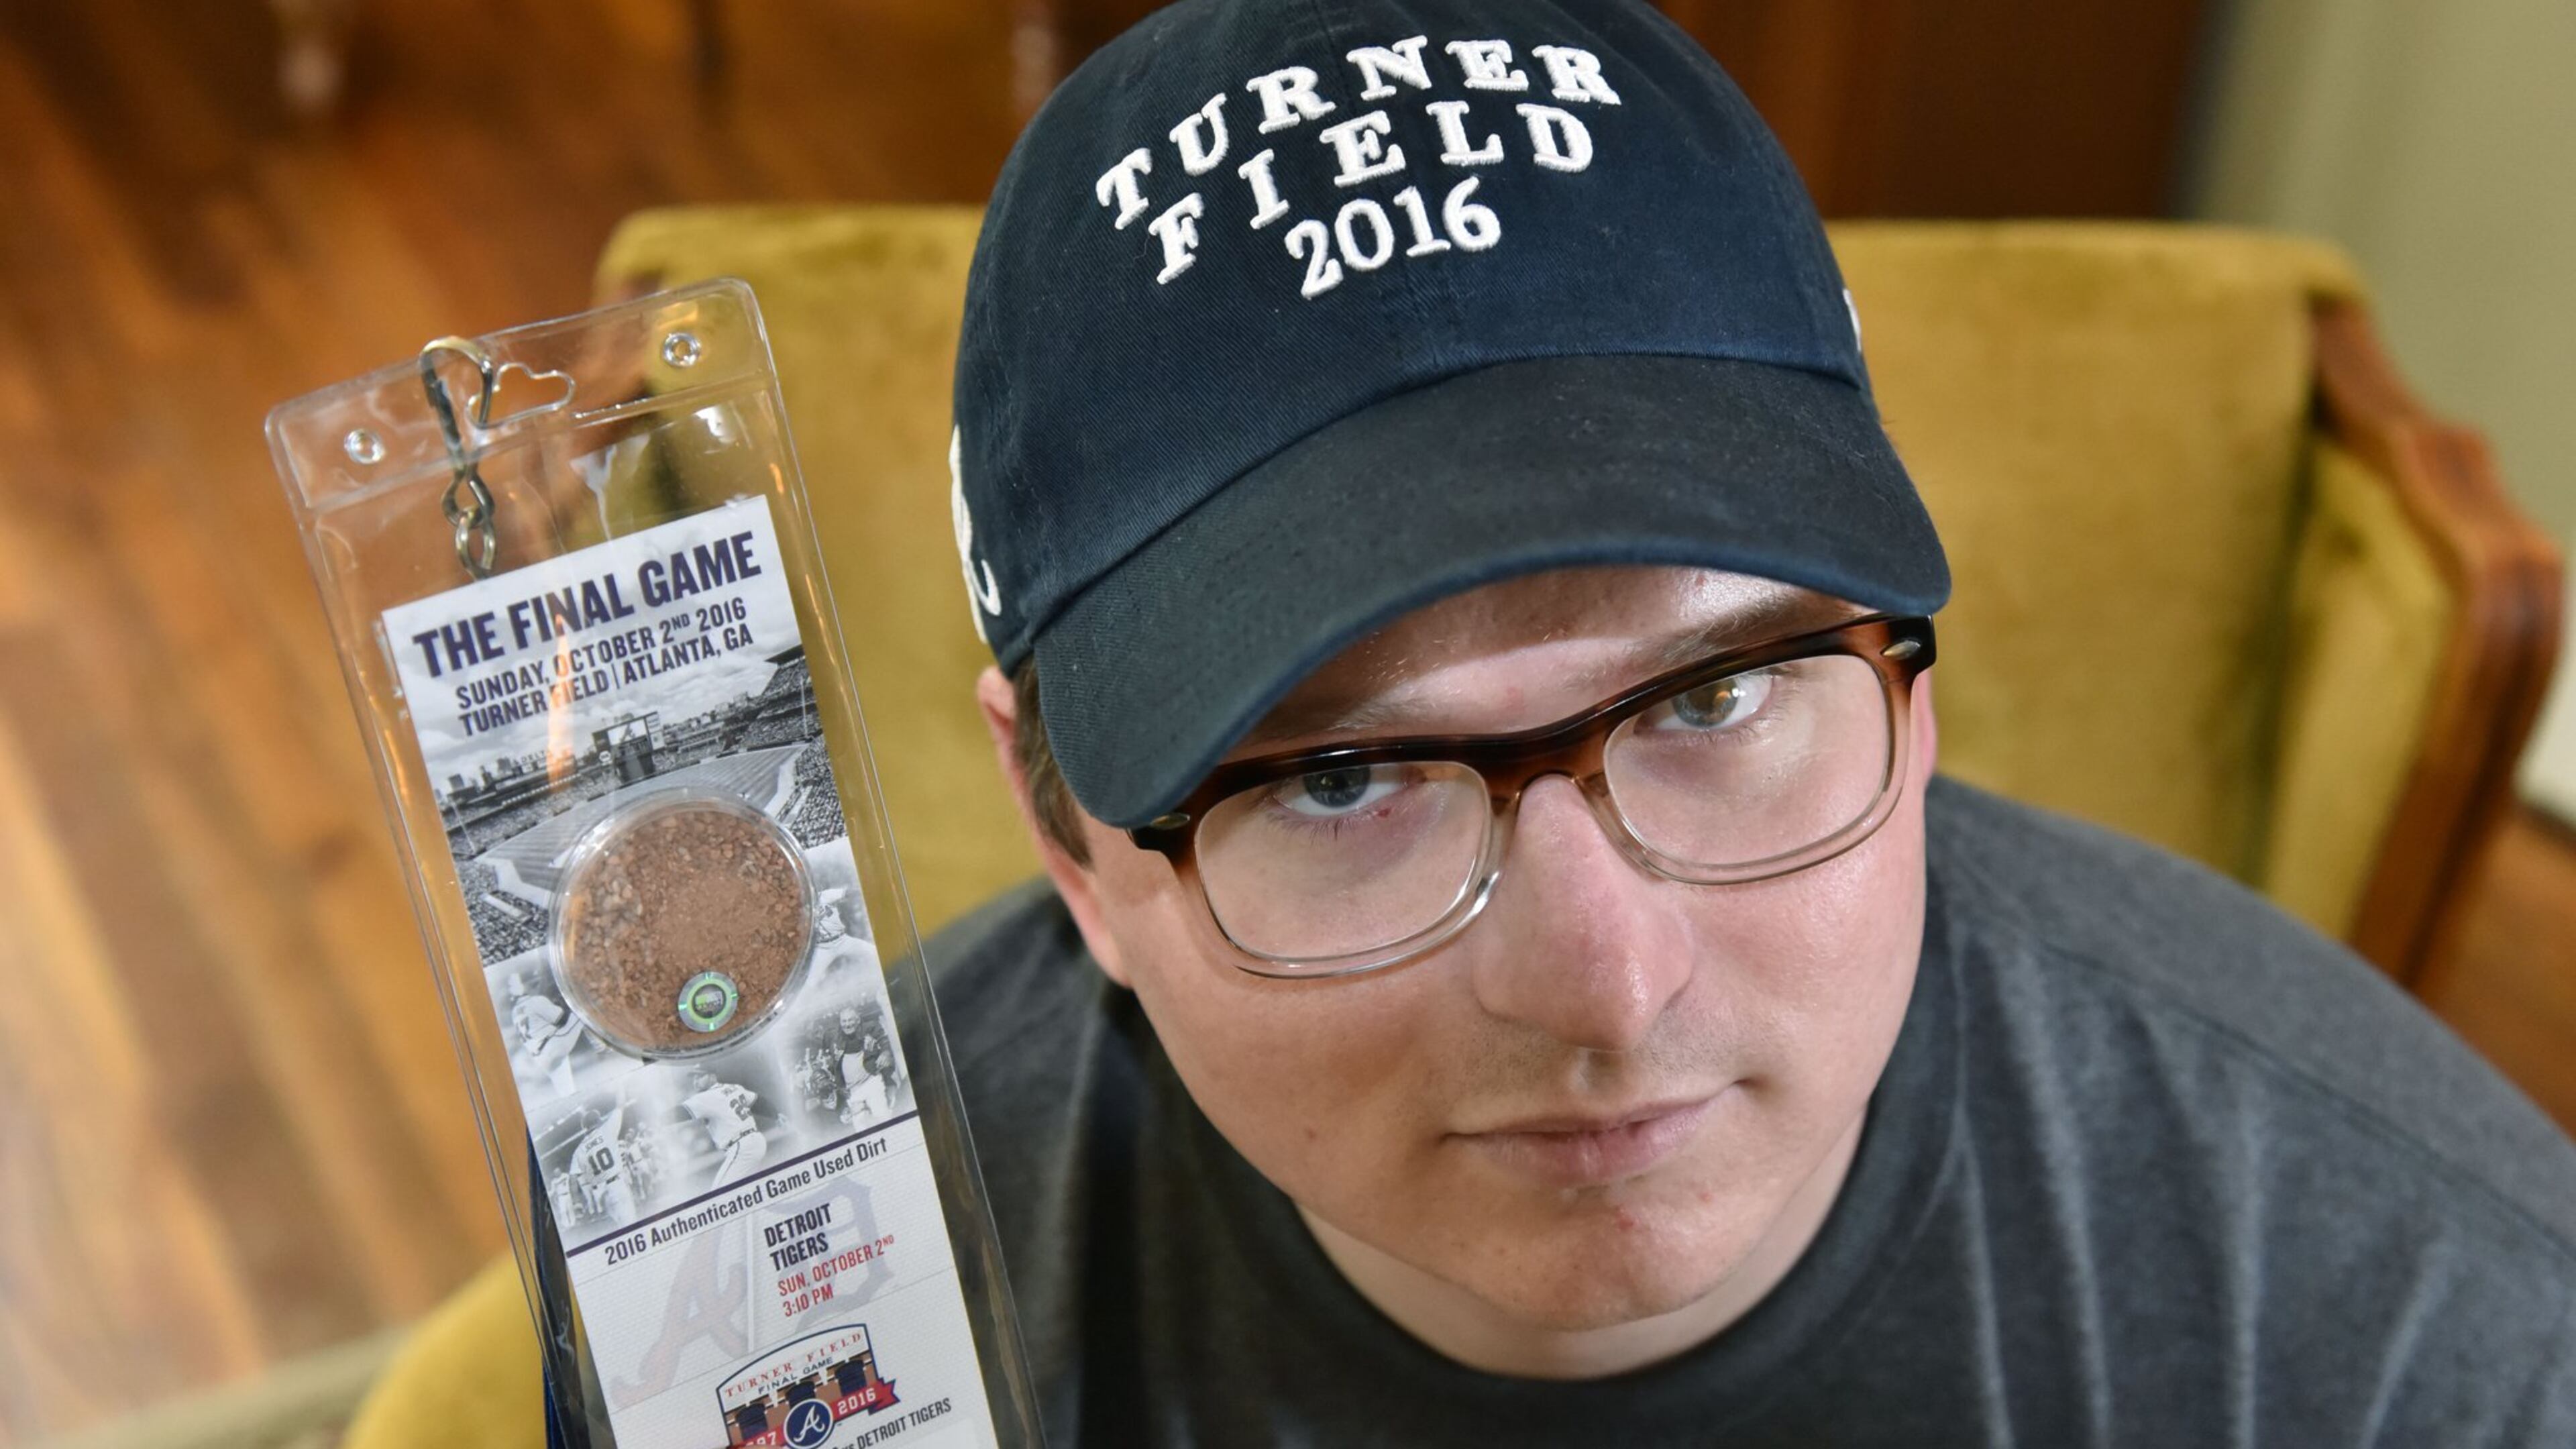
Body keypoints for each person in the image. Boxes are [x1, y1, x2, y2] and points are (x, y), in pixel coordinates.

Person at [930, 1, 2576, 1443]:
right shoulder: (810, 1287)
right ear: (1067, 840)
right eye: (1345, 780)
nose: (1611, 986)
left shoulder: (2437, 1332)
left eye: (1712, 698)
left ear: (1916, 709)